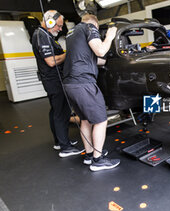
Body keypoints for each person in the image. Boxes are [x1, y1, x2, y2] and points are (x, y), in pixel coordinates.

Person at [63, 14, 119, 172]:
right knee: (101, 120)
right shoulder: (89, 28)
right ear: (94, 24)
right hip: (83, 83)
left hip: (70, 83)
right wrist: (109, 36)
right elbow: (101, 50)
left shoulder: (72, 33)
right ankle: (98, 160)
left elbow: (93, 58)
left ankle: (89, 155)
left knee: (85, 120)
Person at [32, 10, 82, 157]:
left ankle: (60, 141)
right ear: (49, 22)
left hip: (54, 79)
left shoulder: (45, 35)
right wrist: (70, 52)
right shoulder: (41, 36)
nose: (60, 29)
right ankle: (65, 148)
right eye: (58, 26)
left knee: (55, 111)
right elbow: (51, 61)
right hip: (54, 80)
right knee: (61, 112)